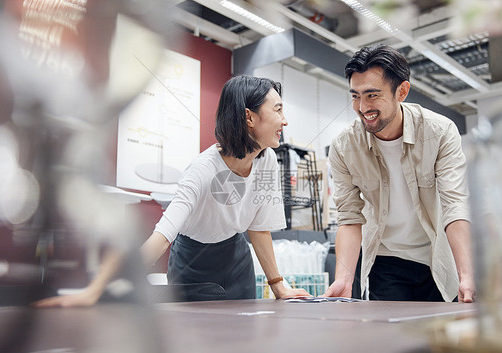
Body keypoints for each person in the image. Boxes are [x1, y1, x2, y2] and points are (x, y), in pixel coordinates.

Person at [34, 75, 311, 307]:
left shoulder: (268, 160)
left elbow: (259, 228)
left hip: (238, 262)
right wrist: (96, 290)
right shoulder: (202, 171)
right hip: (193, 265)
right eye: (277, 110)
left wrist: (278, 286)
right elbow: (162, 237)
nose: (285, 121)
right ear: (249, 117)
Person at [322, 45, 475, 303]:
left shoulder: (440, 132)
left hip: (437, 258)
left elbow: (455, 204)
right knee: (390, 339)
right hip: (386, 259)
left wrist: (467, 274)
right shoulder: (344, 146)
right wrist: (344, 279)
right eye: (355, 96)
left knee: (439, 339)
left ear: (401, 92)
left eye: (372, 95)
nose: (362, 107)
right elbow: (349, 217)